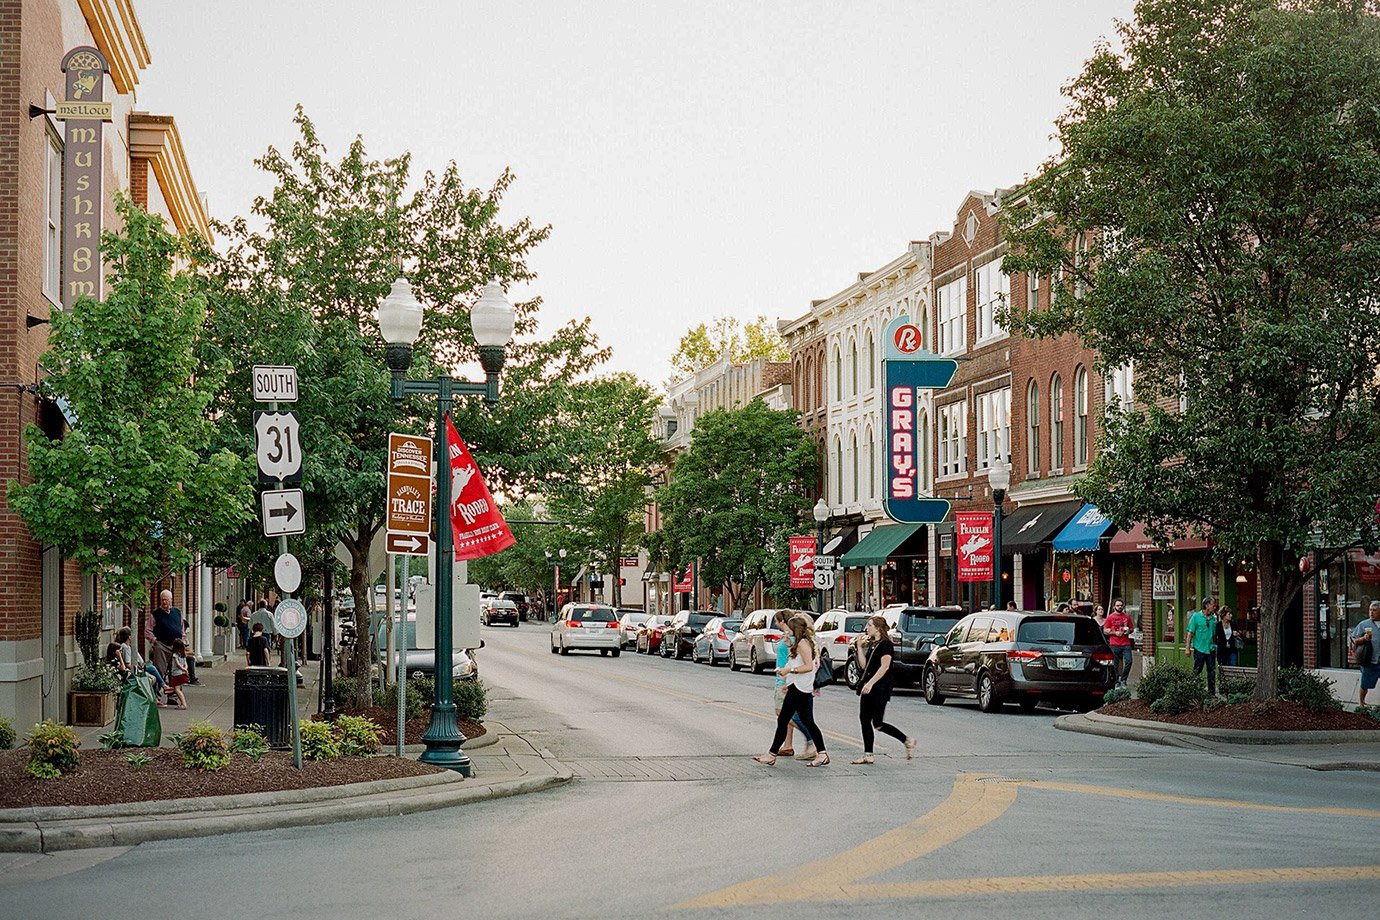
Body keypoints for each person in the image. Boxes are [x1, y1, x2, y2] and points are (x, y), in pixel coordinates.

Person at [754, 614, 829, 768]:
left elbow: (808, 666)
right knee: (808, 721)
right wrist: (788, 646)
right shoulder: (798, 644)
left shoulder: (803, 644)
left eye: (790, 629)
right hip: (798, 686)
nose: (787, 631)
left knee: (783, 719)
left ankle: (771, 754)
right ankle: (822, 753)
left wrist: (790, 670)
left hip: (800, 688)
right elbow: (797, 660)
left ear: (796, 629)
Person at [852, 615, 917, 764]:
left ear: (878, 628)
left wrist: (871, 684)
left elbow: (885, 666)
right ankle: (868, 754)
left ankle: (907, 740)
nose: (866, 628)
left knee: (878, 722)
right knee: (864, 719)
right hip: (869, 686)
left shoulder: (886, 645)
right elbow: (864, 666)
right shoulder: (874, 644)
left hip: (880, 687)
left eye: (869, 625)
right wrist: (859, 647)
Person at [770, 610, 815, 760]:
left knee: (786, 716)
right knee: (789, 716)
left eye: (777, 621)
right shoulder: (791, 638)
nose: (776, 624)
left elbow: (805, 664)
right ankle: (787, 746)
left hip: (790, 680)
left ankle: (811, 740)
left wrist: (788, 674)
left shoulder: (799, 640)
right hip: (788, 678)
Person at [150, 588, 183, 702]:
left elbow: (181, 628)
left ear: (171, 600)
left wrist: (183, 639)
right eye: (162, 600)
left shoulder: (177, 612)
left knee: (175, 672)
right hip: (162, 645)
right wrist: (154, 641)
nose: (164, 602)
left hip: (175, 645)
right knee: (159, 670)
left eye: (166, 600)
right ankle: (156, 695)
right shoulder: (155, 614)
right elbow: (147, 630)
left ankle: (173, 696)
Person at [116, 627, 166, 703]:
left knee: (153, 671)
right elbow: (128, 663)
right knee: (152, 674)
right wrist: (138, 670)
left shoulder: (130, 647)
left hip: (139, 666)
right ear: (129, 637)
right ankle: (160, 689)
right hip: (134, 669)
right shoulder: (125, 647)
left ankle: (157, 694)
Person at [1185, 596, 1220, 697]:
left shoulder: (1213, 619)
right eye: (1213, 605)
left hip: (1210, 649)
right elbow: (1190, 633)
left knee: (1212, 672)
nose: (1214, 607)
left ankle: (1211, 694)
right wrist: (1187, 648)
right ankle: (1192, 692)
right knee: (1197, 670)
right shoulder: (1196, 617)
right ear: (1207, 605)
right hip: (1199, 649)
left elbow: (1214, 635)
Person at [1349, 601, 1380, 708]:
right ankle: (1361, 703)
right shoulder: (1363, 624)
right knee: (1365, 684)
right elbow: (1354, 640)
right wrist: (1363, 639)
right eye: (1370, 610)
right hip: (1369, 660)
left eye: (1374, 610)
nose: (1371, 612)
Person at [1103, 600, 1136, 688]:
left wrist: (1129, 631)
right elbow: (1105, 630)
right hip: (1114, 643)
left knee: (1129, 661)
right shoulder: (1110, 617)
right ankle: (1117, 681)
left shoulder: (1127, 617)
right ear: (1114, 607)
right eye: (1118, 605)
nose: (1119, 607)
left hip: (1125, 643)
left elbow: (1132, 628)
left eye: (1121, 605)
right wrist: (1114, 633)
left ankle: (1124, 679)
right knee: (1115, 664)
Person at [166, 639, 190, 709]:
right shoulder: (183, 655)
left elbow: (177, 664)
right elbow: (185, 664)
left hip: (176, 674)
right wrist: (185, 669)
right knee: (177, 689)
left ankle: (183, 704)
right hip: (182, 673)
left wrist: (182, 669)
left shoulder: (175, 655)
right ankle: (182, 703)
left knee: (177, 690)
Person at [1215, 606, 1239, 670]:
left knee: (1233, 666)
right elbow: (1215, 636)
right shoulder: (1218, 625)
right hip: (1222, 650)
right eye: (1229, 614)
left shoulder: (1233, 623)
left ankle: (1232, 680)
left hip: (1232, 649)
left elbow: (1238, 633)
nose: (1231, 615)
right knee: (1223, 667)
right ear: (1224, 615)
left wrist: (1236, 633)